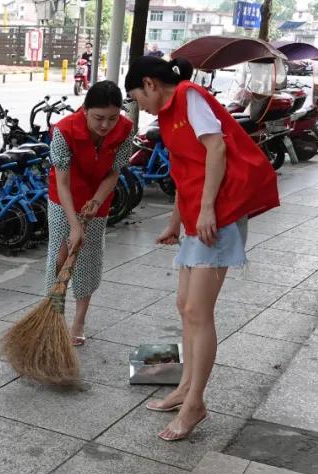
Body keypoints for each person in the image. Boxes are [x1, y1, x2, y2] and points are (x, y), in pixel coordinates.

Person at [124, 57, 279, 441]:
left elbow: (216, 150)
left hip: (218, 215)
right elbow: (183, 169)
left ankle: (196, 404)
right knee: (185, 306)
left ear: (150, 84)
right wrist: (176, 221)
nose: (139, 106)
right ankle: (185, 388)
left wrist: (207, 208)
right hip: (196, 216)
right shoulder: (167, 116)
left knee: (198, 310)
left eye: (137, 98)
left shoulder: (190, 96)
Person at [46, 80, 135, 345]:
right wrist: (74, 224)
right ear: (85, 110)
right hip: (64, 199)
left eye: (112, 118)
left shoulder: (125, 129)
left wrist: (95, 202)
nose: (105, 125)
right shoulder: (64, 131)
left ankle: (79, 320)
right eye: (98, 118)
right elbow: (62, 182)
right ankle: (53, 316)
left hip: (99, 197)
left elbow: (114, 171)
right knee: (60, 257)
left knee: (88, 257)